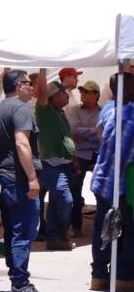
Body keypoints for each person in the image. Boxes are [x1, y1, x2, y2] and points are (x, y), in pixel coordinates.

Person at [0, 69, 41, 292]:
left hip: (3, 177)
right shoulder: (20, 109)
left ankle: (16, 276)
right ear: (19, 85)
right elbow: (21, 143)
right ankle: (20, 283)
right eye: (29, 83)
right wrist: (32, 178)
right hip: (18, 178)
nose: (32, 87)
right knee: (23, 230)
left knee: (12, 229)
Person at [89, 72, 134, 292]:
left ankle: (99, 276)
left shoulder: (108, 109)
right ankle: (124, 278)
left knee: (102, 228)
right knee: (126, 230)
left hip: (102, 179)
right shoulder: (131, 114)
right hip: (122, 184)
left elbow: (99, 132)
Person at [35, 68, 76, 251]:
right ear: (53, 97)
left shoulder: (60, 113)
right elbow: (42, 91)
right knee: (65, 200)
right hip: (50, 164)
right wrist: (43, 69)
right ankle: (63, 233)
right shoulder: (45, 111)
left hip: (63, 164)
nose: (67, 96)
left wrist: (73, 160)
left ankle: (53, 238)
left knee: (55, 201)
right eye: (63, 93)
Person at [65, 79, 101, 237]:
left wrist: (84, 133)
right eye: (82, 91)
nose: (82, 94)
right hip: (81, 153)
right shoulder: (74, 110)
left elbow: (105, 131)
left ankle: (102, 224)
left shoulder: (104, 110)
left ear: (95, 95)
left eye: (86, 92)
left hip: (99, 151)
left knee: (102, 189)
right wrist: (95, 131)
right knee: (74, 188)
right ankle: (76, 225)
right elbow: (73, 130)